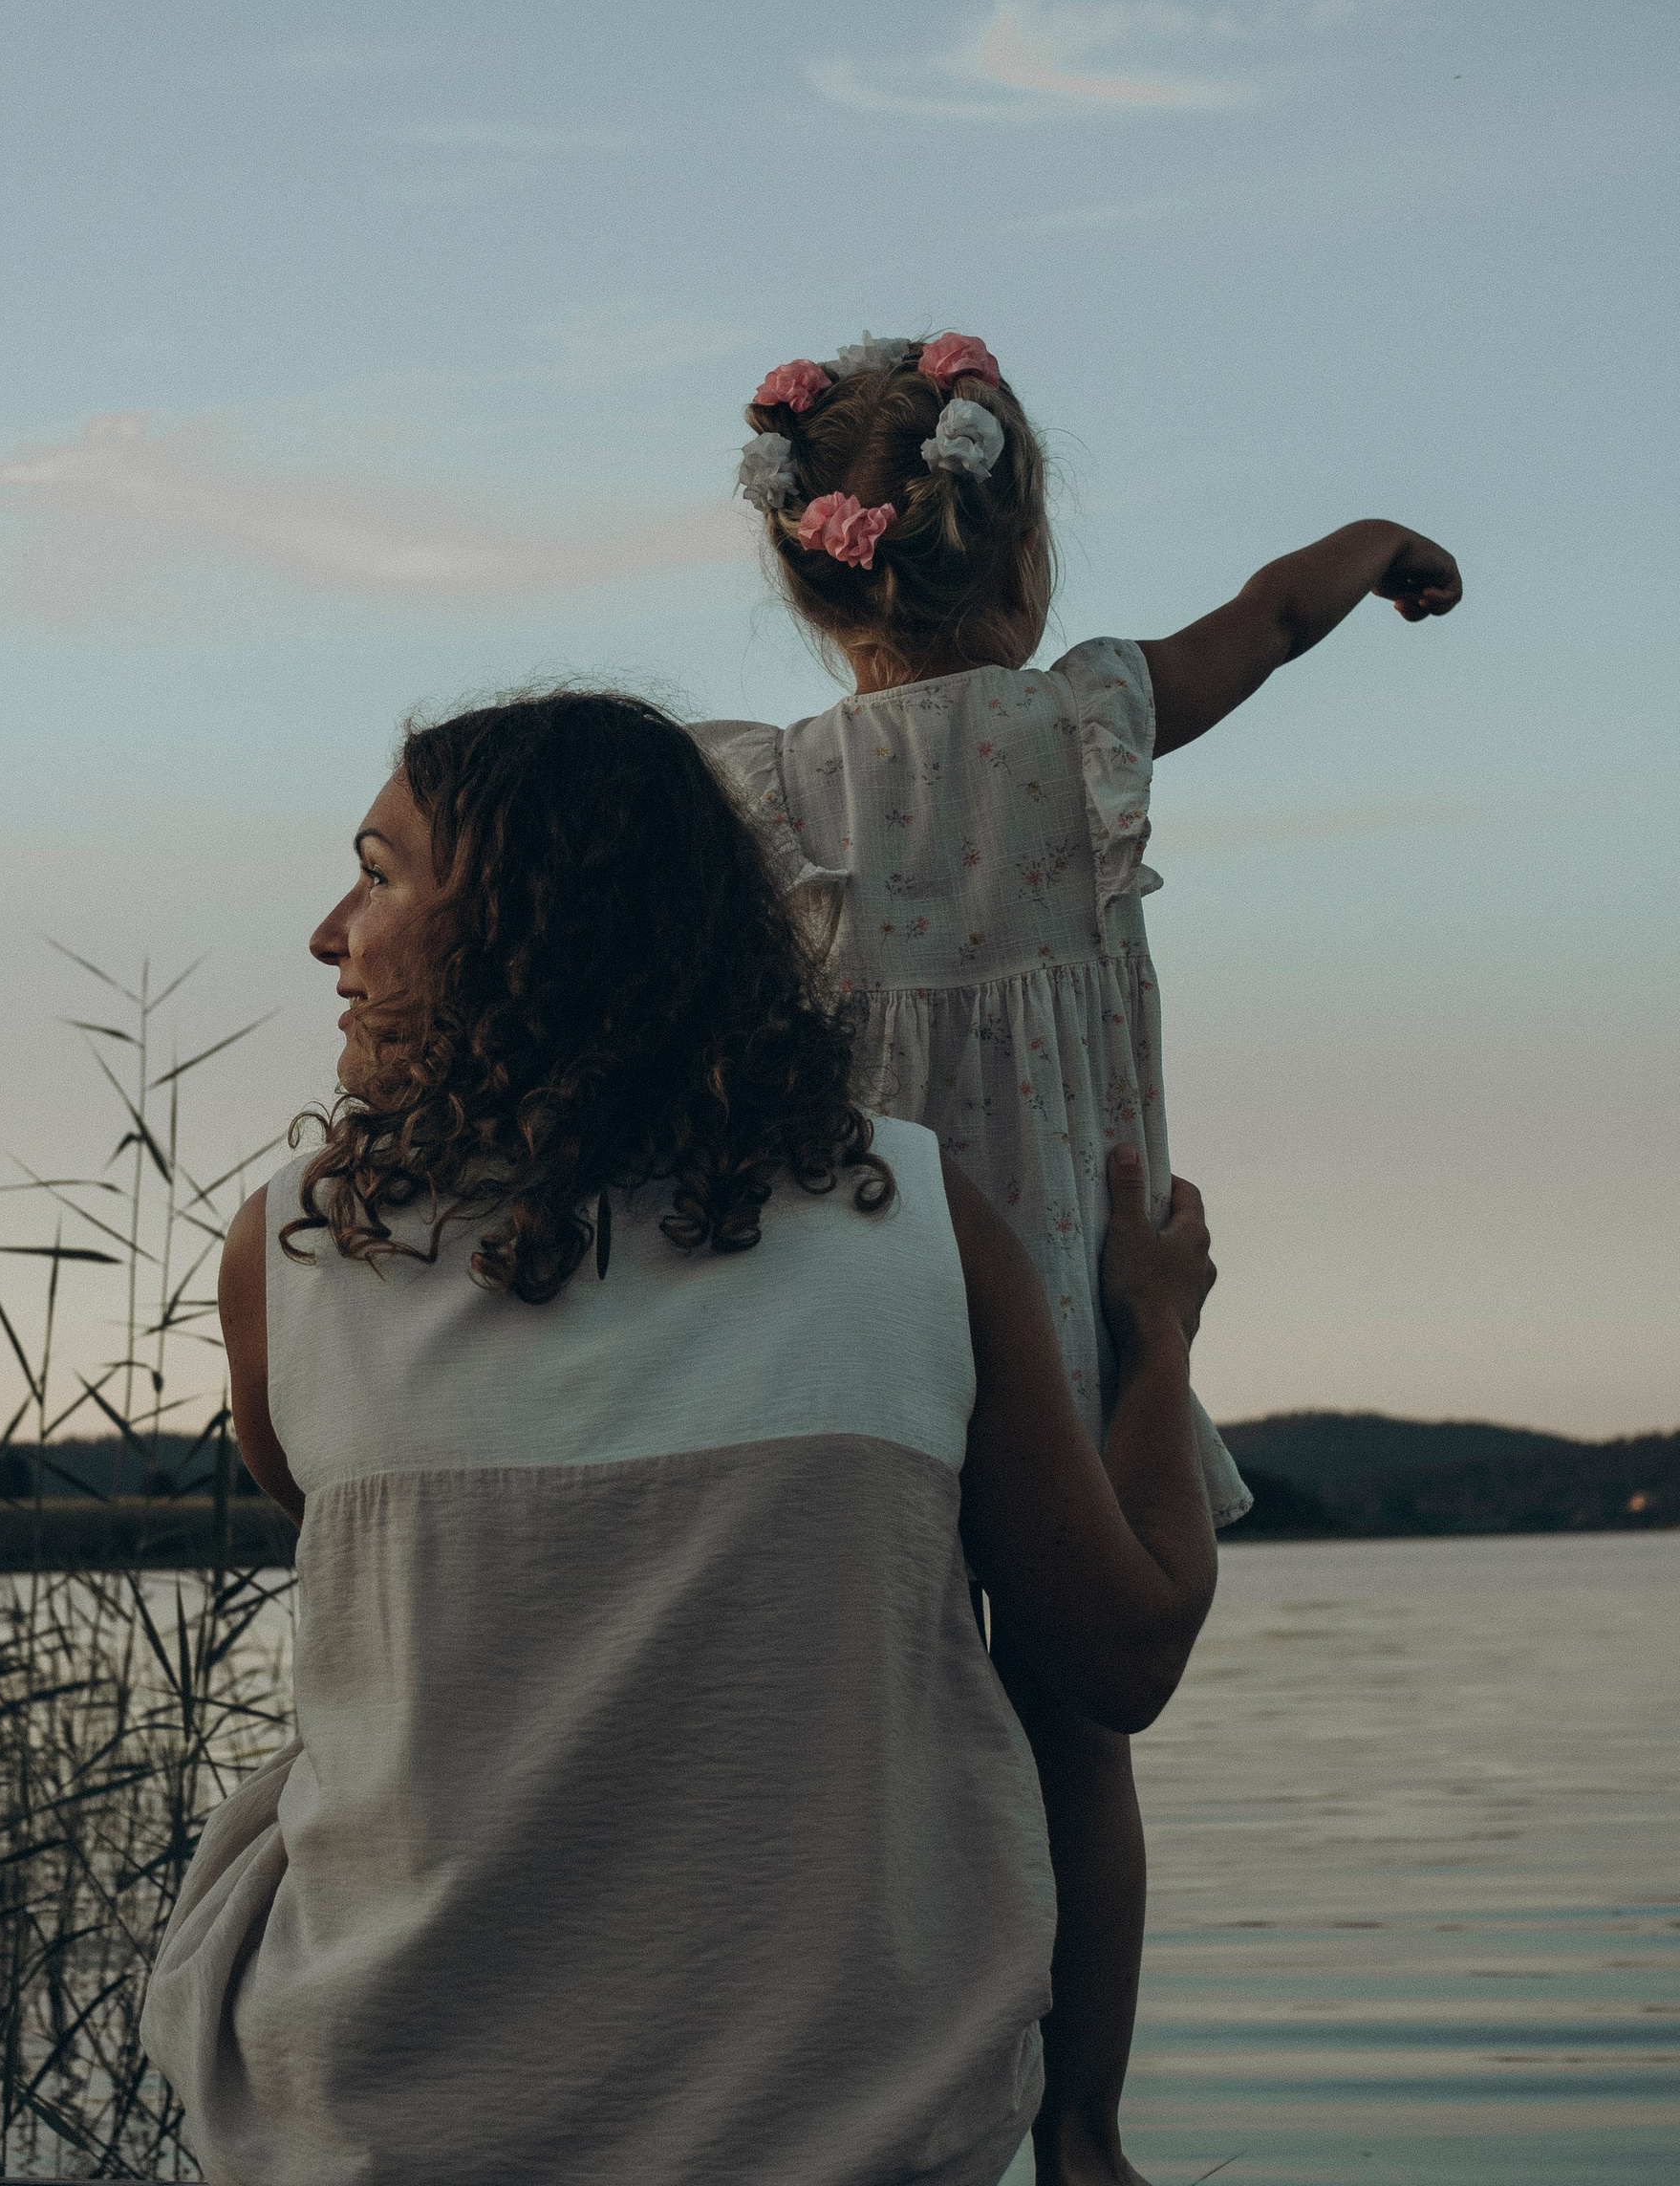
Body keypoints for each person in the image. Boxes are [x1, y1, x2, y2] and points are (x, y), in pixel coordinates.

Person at [140, 691, 1221, 2186]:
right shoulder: (906, 1217)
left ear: (530, 928)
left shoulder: (297, 1256)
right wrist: (1156, 1336)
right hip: (845, 2136)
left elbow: (333, 1534)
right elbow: (1128, 1653)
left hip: (375, 2127)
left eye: (381, 876)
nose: (331, 935)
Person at [701, 330, 1464, 2186]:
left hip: (853, 1310)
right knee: (1074, 1745)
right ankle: (1084, 2132)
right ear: (1019, 550)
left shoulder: (770, 787)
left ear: (809, 565)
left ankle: (827, 2096)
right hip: (1073, 1296)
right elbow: (1265, 622)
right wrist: (1372, 543)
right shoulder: (1087, 716)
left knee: (855, 1735)